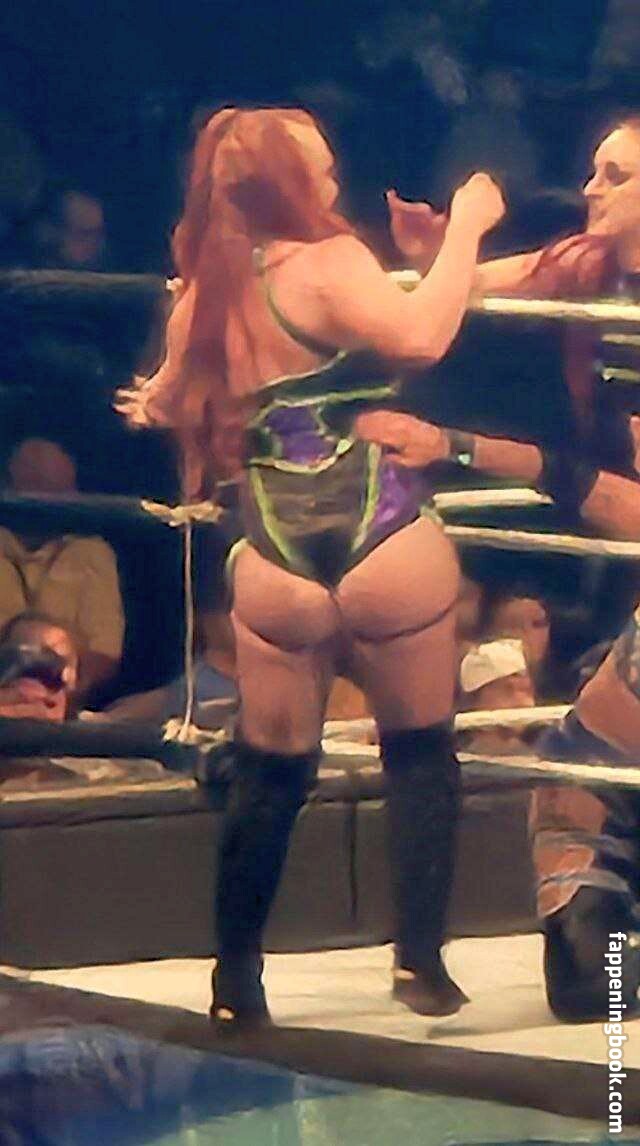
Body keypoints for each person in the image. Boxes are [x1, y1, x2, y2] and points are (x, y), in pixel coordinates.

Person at [117, 106, 505, 1026]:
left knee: (272, 768)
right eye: (320, 168)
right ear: (289, 182)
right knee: (419, 750)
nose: (334, 181)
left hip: (275, 561)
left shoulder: (204, 294)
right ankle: (419, 963)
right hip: (384, 533)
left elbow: (161, 404)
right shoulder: (329, 261)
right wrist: (469, 225)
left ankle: (235, 981)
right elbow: (421, 336)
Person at [0, 437, 125, 699]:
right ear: (9, 487)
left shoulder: (92, 554)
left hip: (64, 704)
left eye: (57, 489)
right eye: (35, 484)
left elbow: (105, 653)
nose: (46, 499)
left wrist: (58, 691)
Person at [457, 638, 536, 755]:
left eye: (525, 689)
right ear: (474, 701)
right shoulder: (461, 760)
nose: (525, 702)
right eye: (507, 689)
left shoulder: (538, 754)